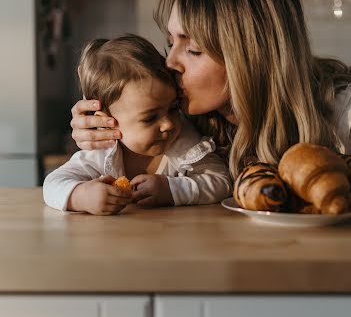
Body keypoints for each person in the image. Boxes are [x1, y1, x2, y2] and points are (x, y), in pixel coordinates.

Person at [70, 0, 351, 194]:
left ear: (249, 58)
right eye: (171, 42)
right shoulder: (188, 117)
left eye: (194, 50)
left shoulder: (349, 122)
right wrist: (106, 132)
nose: (169, 62)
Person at [43, 34, 232, 215]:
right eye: (150, 118)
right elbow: (52, 184)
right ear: (107, 122)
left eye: (173, 108)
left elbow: (221, 181)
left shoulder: (184, 142)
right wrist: (81, 196)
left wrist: (172, 190)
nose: (168, 124)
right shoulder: (101, 153)